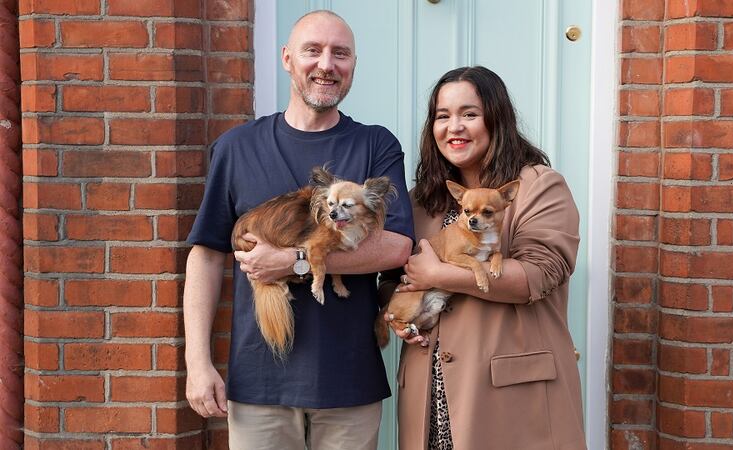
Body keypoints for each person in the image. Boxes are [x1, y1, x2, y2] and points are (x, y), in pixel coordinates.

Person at [183, 10, 414, 450]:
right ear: (288, 58)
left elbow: (396, 245)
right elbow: (208, 254)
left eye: (340, 53)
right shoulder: (237, 147)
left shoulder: (375, 145)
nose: (327, 64)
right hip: (259, 378)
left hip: (349, 378)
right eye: (313, 50)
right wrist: (197, 362)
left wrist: (294, 261)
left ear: (353, 65)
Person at [382, 66, 585, 450]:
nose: (454, 127)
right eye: (443, 116)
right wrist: (396, 316)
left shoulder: (537, 186)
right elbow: (393, 279)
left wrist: (439, 274)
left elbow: (539, 274)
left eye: (469, 114)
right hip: (431, 392)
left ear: (496, 119)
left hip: (508, 395)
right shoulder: (422, 200)